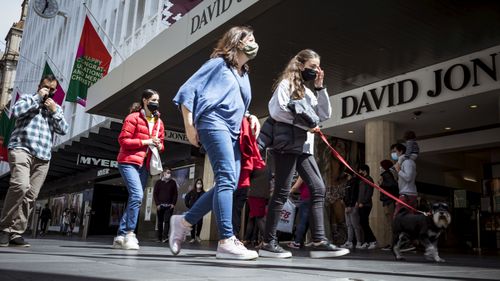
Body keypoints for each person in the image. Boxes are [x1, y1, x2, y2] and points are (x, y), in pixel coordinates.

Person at [170, 26, 261, 260]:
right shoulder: (218, 64)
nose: (254, 43)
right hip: (213, 121)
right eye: (249, 39)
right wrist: (190, 126)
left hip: (234, 129)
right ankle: (226, 240)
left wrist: (250, 116)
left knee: (231, 182)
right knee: (227, 179)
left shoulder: (243, 74)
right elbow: (187, 90)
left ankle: (184, 221)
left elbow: (238, 102)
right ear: (236, 42)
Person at [260, 49, 349, 259]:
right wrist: (305, 125)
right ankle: (267, 242)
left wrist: (320, 88)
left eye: (318, 67)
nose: (316, 70)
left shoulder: (309, 92)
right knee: (282, 192)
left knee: (318, 188)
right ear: (300, 65)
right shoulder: (285, 85)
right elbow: (277, 111)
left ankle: (318, 241)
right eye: (312, 67)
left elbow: (323, 115)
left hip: (303, 148)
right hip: (287, 145)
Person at [0, 74, 68, 247]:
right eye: (46, 87)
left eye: (53, 89)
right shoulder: (28, 98)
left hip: (43, 156)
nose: (49, 92)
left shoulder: (56, 107)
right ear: (39, 86)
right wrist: (37, 98)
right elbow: (15, 112)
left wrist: (54, 111)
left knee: (31, 196)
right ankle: (4, 229)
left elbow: (63, 130)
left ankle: (16, 232)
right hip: (21, 148)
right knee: (20, 186)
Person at [112, 89, 165, 250]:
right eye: (153, 99)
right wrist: (146, 141)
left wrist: (157, 144)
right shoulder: (133, 118)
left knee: (135, 198)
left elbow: (162, 144)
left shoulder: (159, 122)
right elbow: (123, 140)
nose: (156, 102)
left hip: (145, 165)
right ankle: (129, 233)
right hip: (128, 161)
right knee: (137, 195)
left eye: (158, 100)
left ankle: (120, 235)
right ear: (145, 100)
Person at [391, 143, 418, 217]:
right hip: (407, 193)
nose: (393, 154)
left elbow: (408, 178)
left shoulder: (407, 162)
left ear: (401, 151)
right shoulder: (405, 162)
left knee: (397, 218)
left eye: (395, 151)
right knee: (409, 219)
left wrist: (399, 170)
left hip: (407, 195)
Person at [378, 159, 399, 250]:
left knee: (390, 223)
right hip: (386, 201)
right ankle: (389, 243)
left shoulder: (387, 175)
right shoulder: (387, 175)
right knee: (388, 223)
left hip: (389, 201)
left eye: (381, 166)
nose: (380, 168)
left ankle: (392, 244)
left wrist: (381, 184)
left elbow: (392, 185)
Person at [153, 168, 178, 243]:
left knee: (167, 221)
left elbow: (175, 194)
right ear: (164, 173)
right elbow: (155, 194)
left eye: (170, 173)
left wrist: (173, 204)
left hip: (169, 206)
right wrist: (157, 204)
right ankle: (159, 237)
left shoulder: (173, 182)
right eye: (167, 172)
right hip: (160, 205)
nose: (169, 174)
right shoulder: (158, 182)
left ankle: (165, 237)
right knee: (160, 221)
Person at [356, 164, 377, 250]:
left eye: (360, 170)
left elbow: (369, 193)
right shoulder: (362, 180)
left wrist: (363, 202)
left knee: (364, 222)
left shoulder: (369, 179)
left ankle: (373, 240)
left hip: (366, 205)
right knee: (363, 223)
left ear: (364, 171)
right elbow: (360, 193)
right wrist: (358, 201)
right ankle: (367, 241)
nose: (359, 172)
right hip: (361, 204)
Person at [340, 173, 362, 249]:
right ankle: (349, 241)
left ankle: (359, 242)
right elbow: (346, 195)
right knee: (349, 225)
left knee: (355, 225)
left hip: (352, 206)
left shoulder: (354, 183)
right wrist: (345, 204)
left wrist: (349, 205)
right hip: (347, 206)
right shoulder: (347, 183)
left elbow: (353, 195)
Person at [288, 177, 310, 249]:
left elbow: (295, 187)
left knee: (302, 221)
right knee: (307, 222)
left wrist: (288, 192)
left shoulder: (303, 174)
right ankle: (301, 242)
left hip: (306, 198)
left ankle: (297, 242)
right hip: (313, 198)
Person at [184, 178, 205, 243]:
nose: (199, 184)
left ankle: (197, 236)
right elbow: (186, 198)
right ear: (195, 184)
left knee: (199, 223)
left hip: (200, 211)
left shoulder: (203, 193)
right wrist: (188, 205)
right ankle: (192, 237)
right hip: (193, 210)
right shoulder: (192, 192)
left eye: (200, 183)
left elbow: (206, 201)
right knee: (192, 224)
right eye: (198, 183)